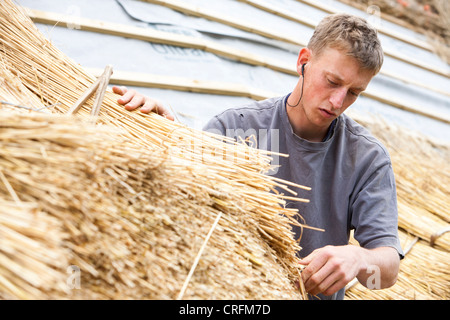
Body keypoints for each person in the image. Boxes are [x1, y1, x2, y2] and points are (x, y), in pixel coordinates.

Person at [112, 13, 404, 300]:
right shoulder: (235, 128)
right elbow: (182, 194)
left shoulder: (366, 159)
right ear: (303, 62)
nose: (339, 102)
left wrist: (358, 257)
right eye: (332, 81)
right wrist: (164, 131)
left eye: (354, 92)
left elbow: (387, 269)